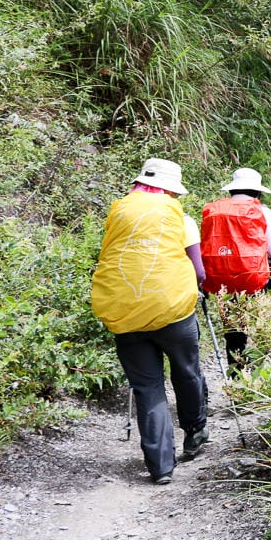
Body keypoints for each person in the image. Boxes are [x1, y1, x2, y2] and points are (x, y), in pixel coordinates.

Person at [91, 158, 209, 485]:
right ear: (172, 190)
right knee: (186, 372)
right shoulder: (180, 218)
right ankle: (195, 432)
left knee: (147, 387)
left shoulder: (120, 216)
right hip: (174, 313)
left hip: (126, 314)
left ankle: (160, 467)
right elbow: (199, 272)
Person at [200, 167, 271, 375]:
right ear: (258, 193)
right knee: (261, 331)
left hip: (222, 283)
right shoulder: (261, 212)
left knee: (233, 334)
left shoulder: (214, 211)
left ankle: (237, 381)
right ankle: (256, 380)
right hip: (254, 281)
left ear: (232, 190)